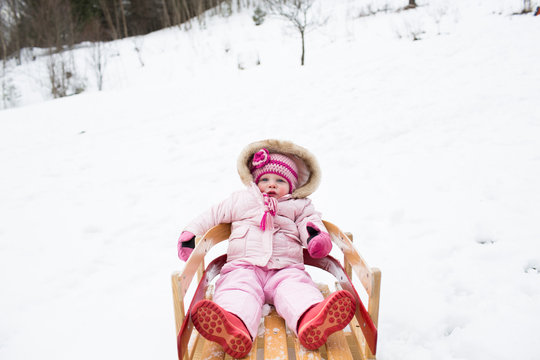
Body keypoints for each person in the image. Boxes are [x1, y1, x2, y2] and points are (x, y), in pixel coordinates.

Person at [177, 139, 356, 358]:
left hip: (286, 269)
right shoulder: (241, 200)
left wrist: (316, 238)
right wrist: (191, 235)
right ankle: (233, 326)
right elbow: (212, 215)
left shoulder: (299, 206)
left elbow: (311, 223)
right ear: (255, 181)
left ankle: (313, 318)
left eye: (280, 180)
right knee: (238, 290)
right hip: (243, 267)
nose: (272, 184)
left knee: (296, 289)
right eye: (265, 179)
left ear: (292, 186)